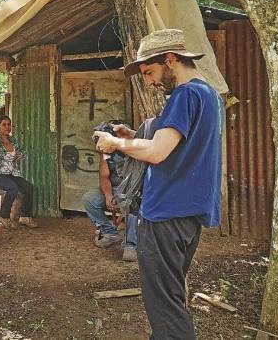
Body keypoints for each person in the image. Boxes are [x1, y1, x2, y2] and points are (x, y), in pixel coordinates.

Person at [95, 29, 222, 340]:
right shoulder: (209, 96)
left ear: (170, 59)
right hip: (187, 217)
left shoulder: (184, 94)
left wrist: (114, 143)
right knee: (171, 299)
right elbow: (176, 150)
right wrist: (133, 137)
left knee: (165, 312)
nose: (149, 81)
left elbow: (157, 151)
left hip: (165, 215)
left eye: (149, 72)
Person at [82, 121, 138, 262]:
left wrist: (125, 195)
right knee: (89, 199)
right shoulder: (106, 153)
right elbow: (104, 176)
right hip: (115, 189)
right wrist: (108, 195)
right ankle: (110, 233)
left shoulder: (134, 147)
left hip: (134, 191)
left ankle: (131, 244)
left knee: (133, 203)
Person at [0, 115, 38, 229]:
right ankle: (3, 216)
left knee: (28, 187)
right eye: (4, 124)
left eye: (9, 124)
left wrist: (19, 155)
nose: (7, 127)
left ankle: (25, 217)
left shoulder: (13, 140)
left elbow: (24, 152)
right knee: (12, 188)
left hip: (10, 174)